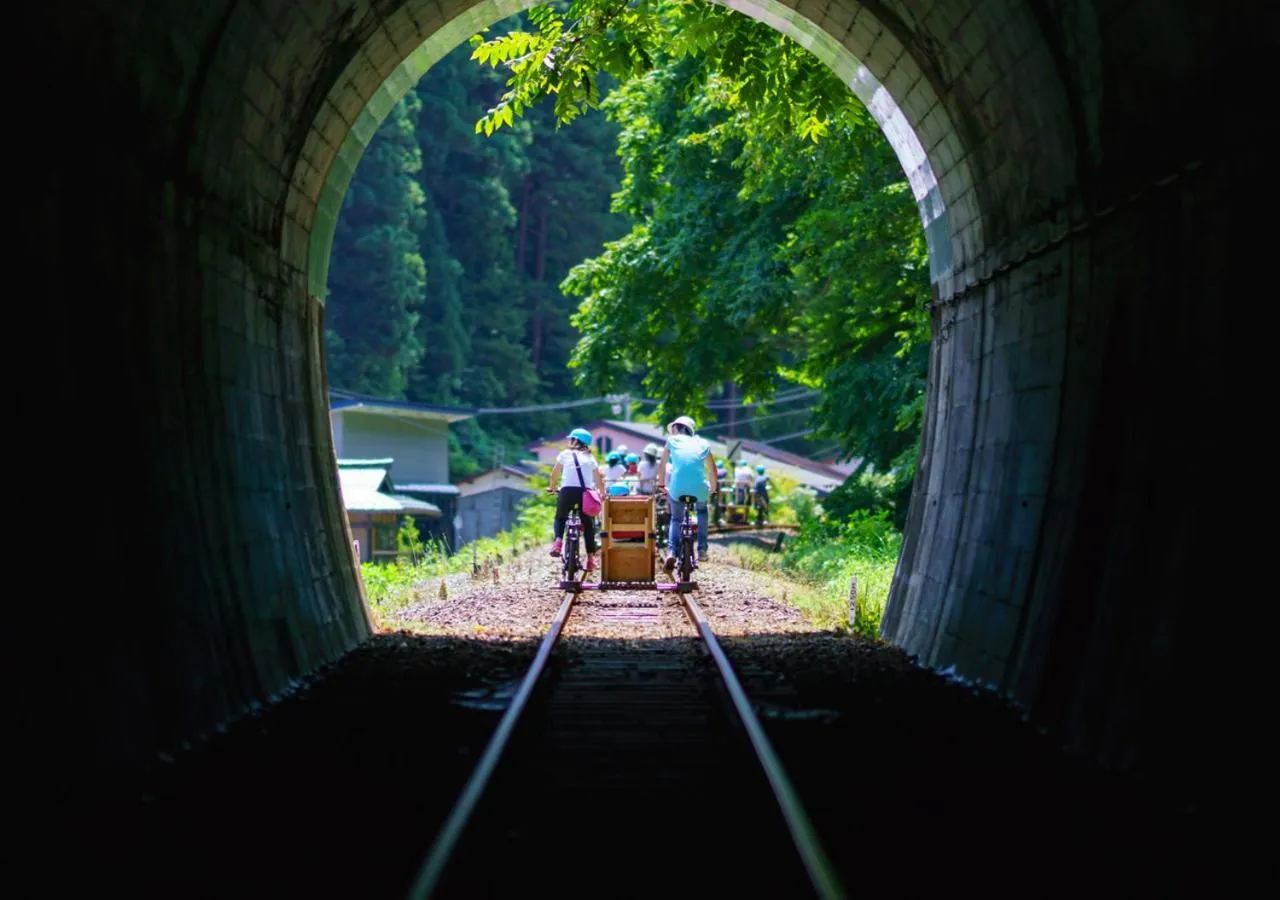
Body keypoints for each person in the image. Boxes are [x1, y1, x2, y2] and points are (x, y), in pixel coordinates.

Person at [655, 415, 718, 571]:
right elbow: (712, 469)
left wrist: (662, 484)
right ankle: (702, 549)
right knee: (702, 511)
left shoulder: (672, 441)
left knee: (676, 519)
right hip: (699, 488)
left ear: (677, 429)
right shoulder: (703, 443)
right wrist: (713, 487)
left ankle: (672, 551)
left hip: (677, 487)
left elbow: (662, 466)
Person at [546, 428, 605, 571]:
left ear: (575, 440)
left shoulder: (565, 454)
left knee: (560, 517)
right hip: (585, 493)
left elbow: (554, 473)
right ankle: (590, 559)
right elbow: (598, 479)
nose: (568, 441)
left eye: (570, 439)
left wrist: (552, 487)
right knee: (588, 524)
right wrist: (602, 493)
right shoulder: (590, 457)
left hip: (566, 492)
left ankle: (558, 541)